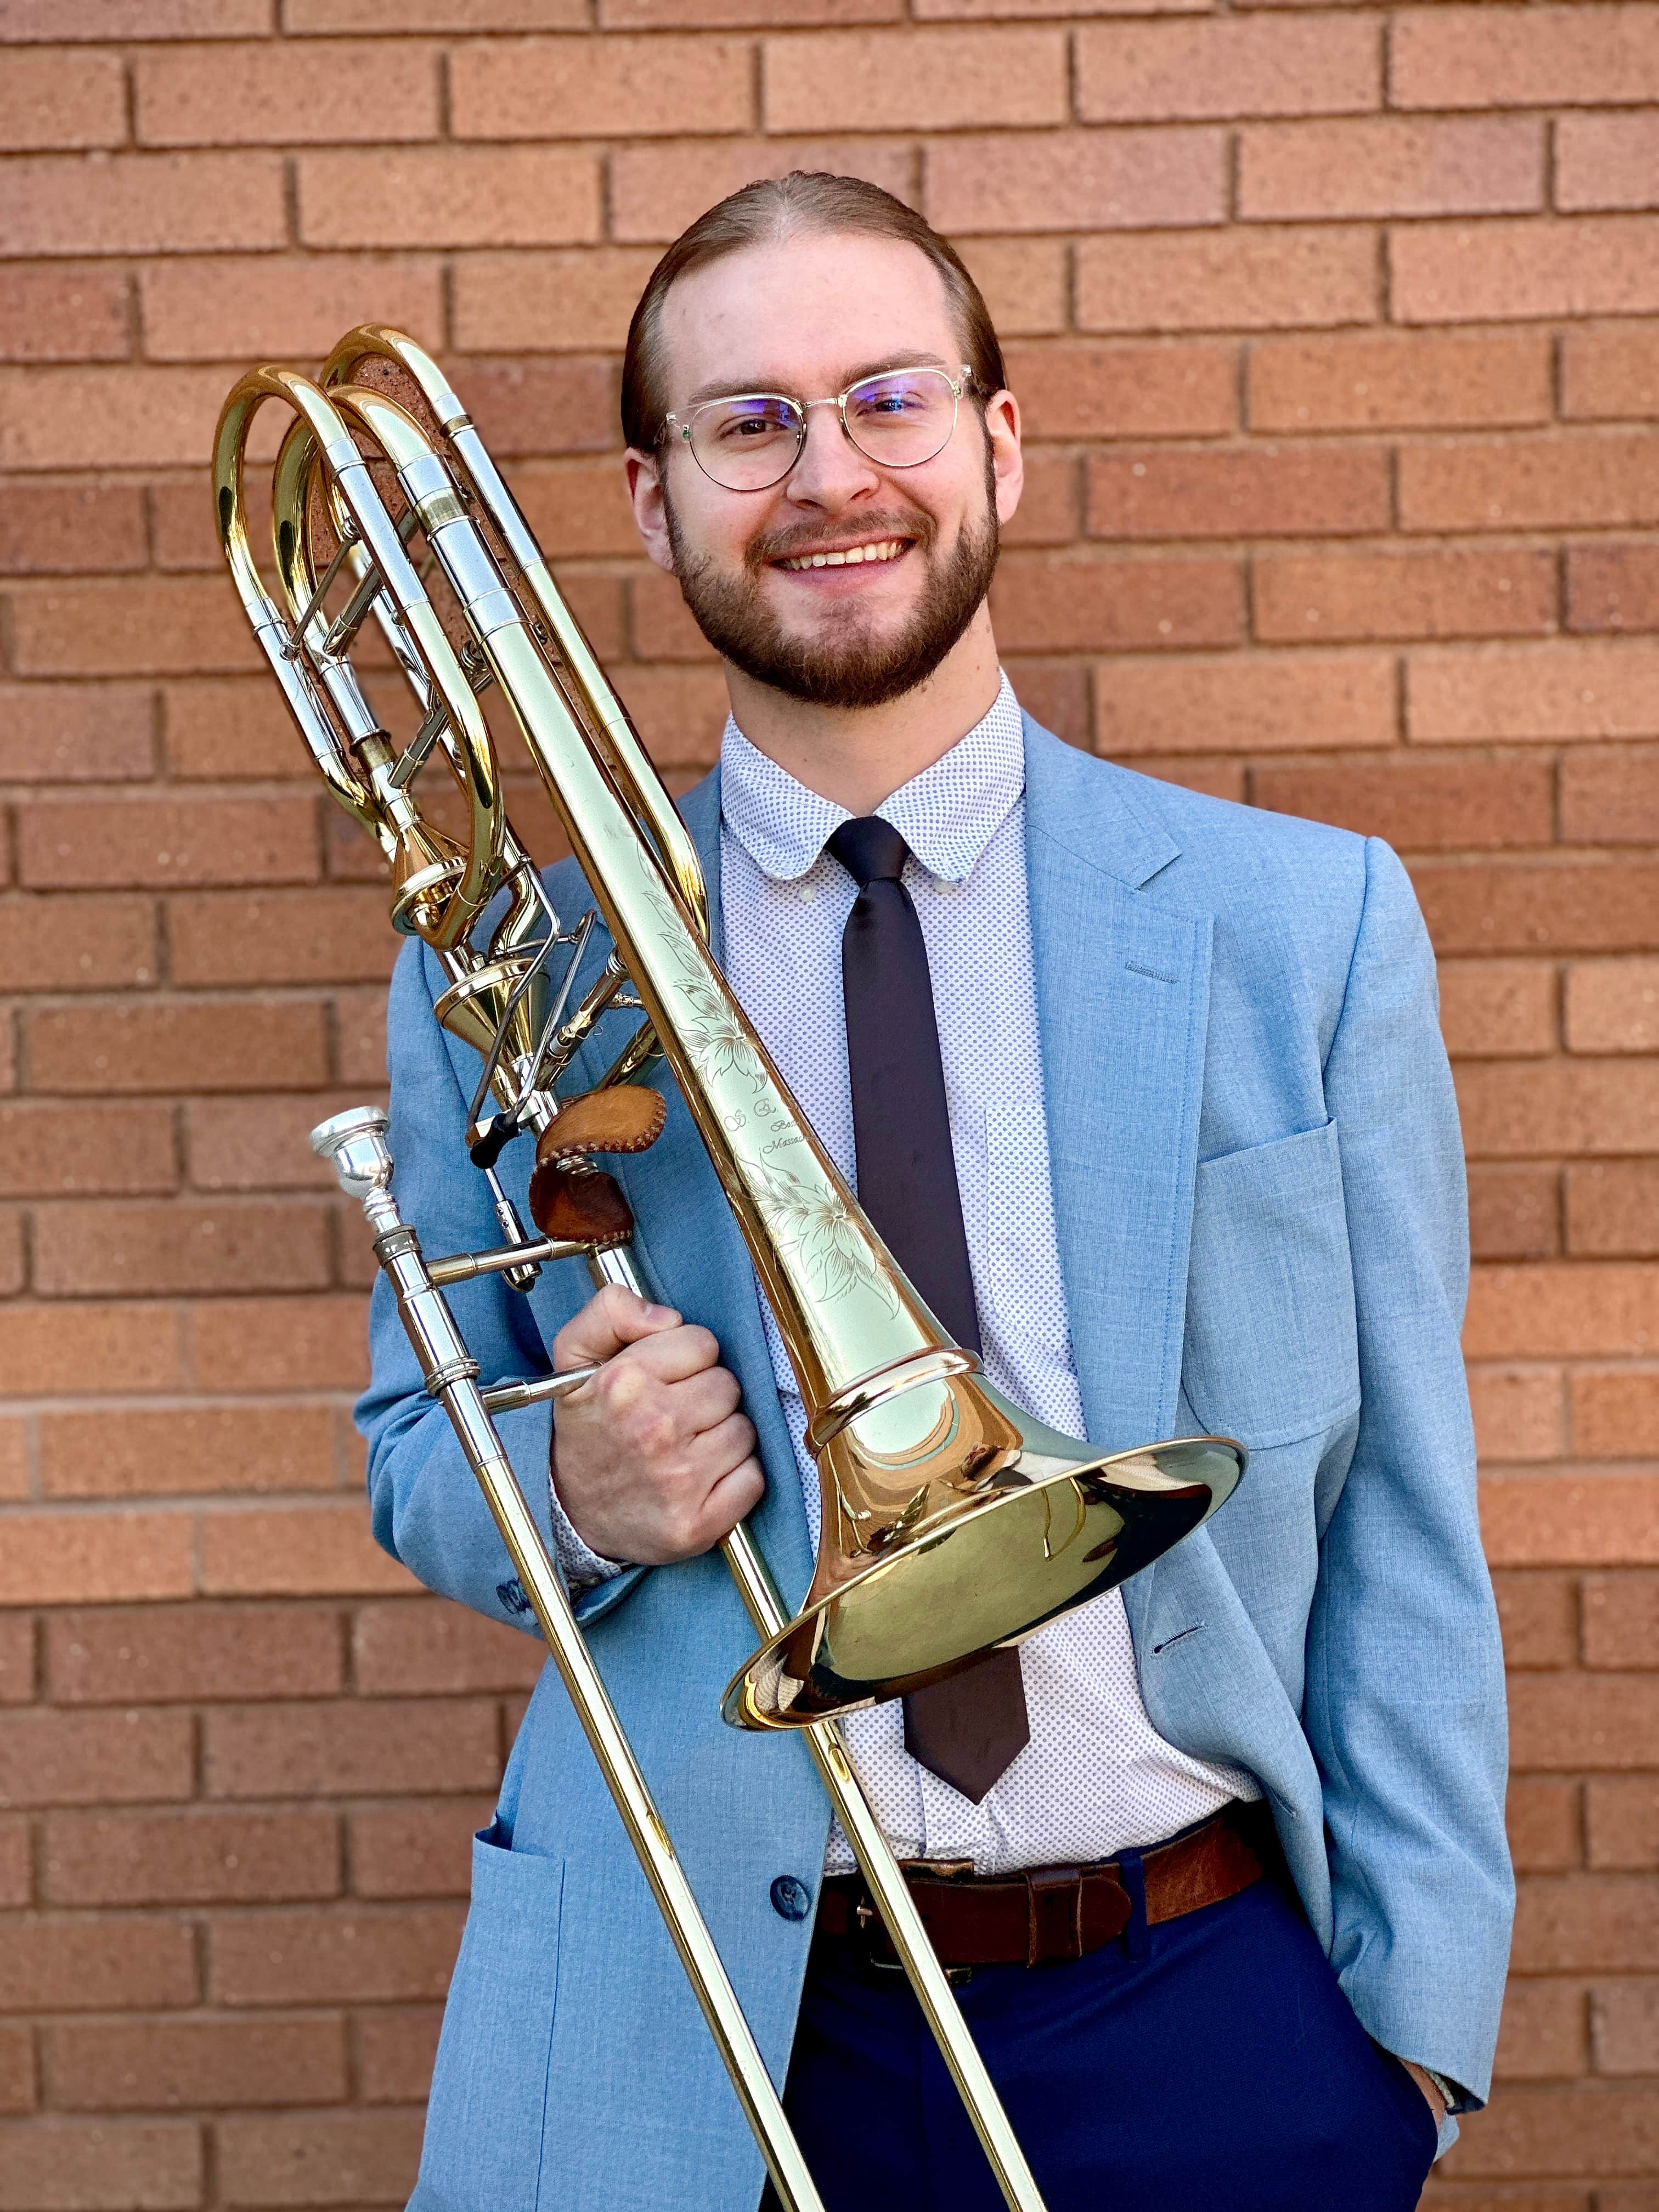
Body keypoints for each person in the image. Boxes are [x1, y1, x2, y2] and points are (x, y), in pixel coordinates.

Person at [360, 172, 1513, 2212]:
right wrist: (576, 1500)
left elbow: (1411, 1502)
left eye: (887, 399)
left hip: (1208, 2010)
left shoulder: (1298, 924)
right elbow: (413, 1454)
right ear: (649, 501)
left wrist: (1409, 2039)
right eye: (749, 423)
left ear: (997, 439)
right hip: (701, 2024)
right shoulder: (509, 973)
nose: (830, 477)